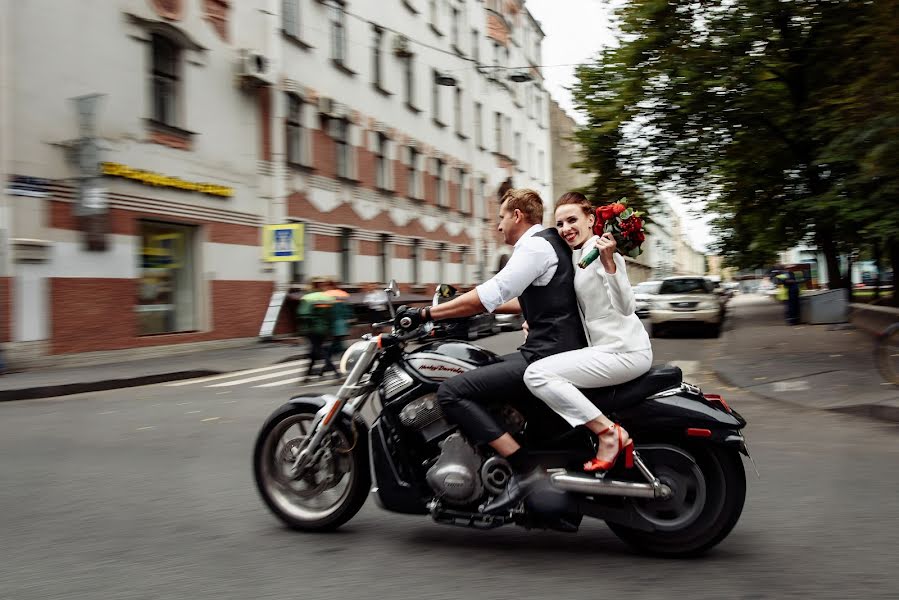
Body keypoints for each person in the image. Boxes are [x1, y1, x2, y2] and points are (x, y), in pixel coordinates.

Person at [394, 188, 586, 514]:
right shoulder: (549, 243)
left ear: (517, 216)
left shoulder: (534, 247)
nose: (498, 227)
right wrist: (475, 308)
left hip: (546, 356)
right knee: (487, 370)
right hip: (554, 350)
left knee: (453, 392)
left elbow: (490, 293)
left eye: (501, 218)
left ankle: (525, 471)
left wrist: (426, 313)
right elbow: (523, 299)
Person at [523, 192, 653, 472]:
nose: (565, 228)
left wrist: (610, 264)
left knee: (537, 374)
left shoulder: (600, 248)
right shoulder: (577, 256)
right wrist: (532, 321)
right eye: (559, 224)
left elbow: (627, 307)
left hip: (624, 350)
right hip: (604, 350)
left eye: (572, 220)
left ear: (591, 219)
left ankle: (608, 433)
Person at [298, 277, 340, 382]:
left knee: (319, 350)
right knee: (313, 352)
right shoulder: (328, 298)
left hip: (311, 329)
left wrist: (304, 329)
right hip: (324, 328)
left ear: (311, 285)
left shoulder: (308, 298)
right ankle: (306, 376)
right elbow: (332, 315)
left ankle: (337, 374)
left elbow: (304, 315)